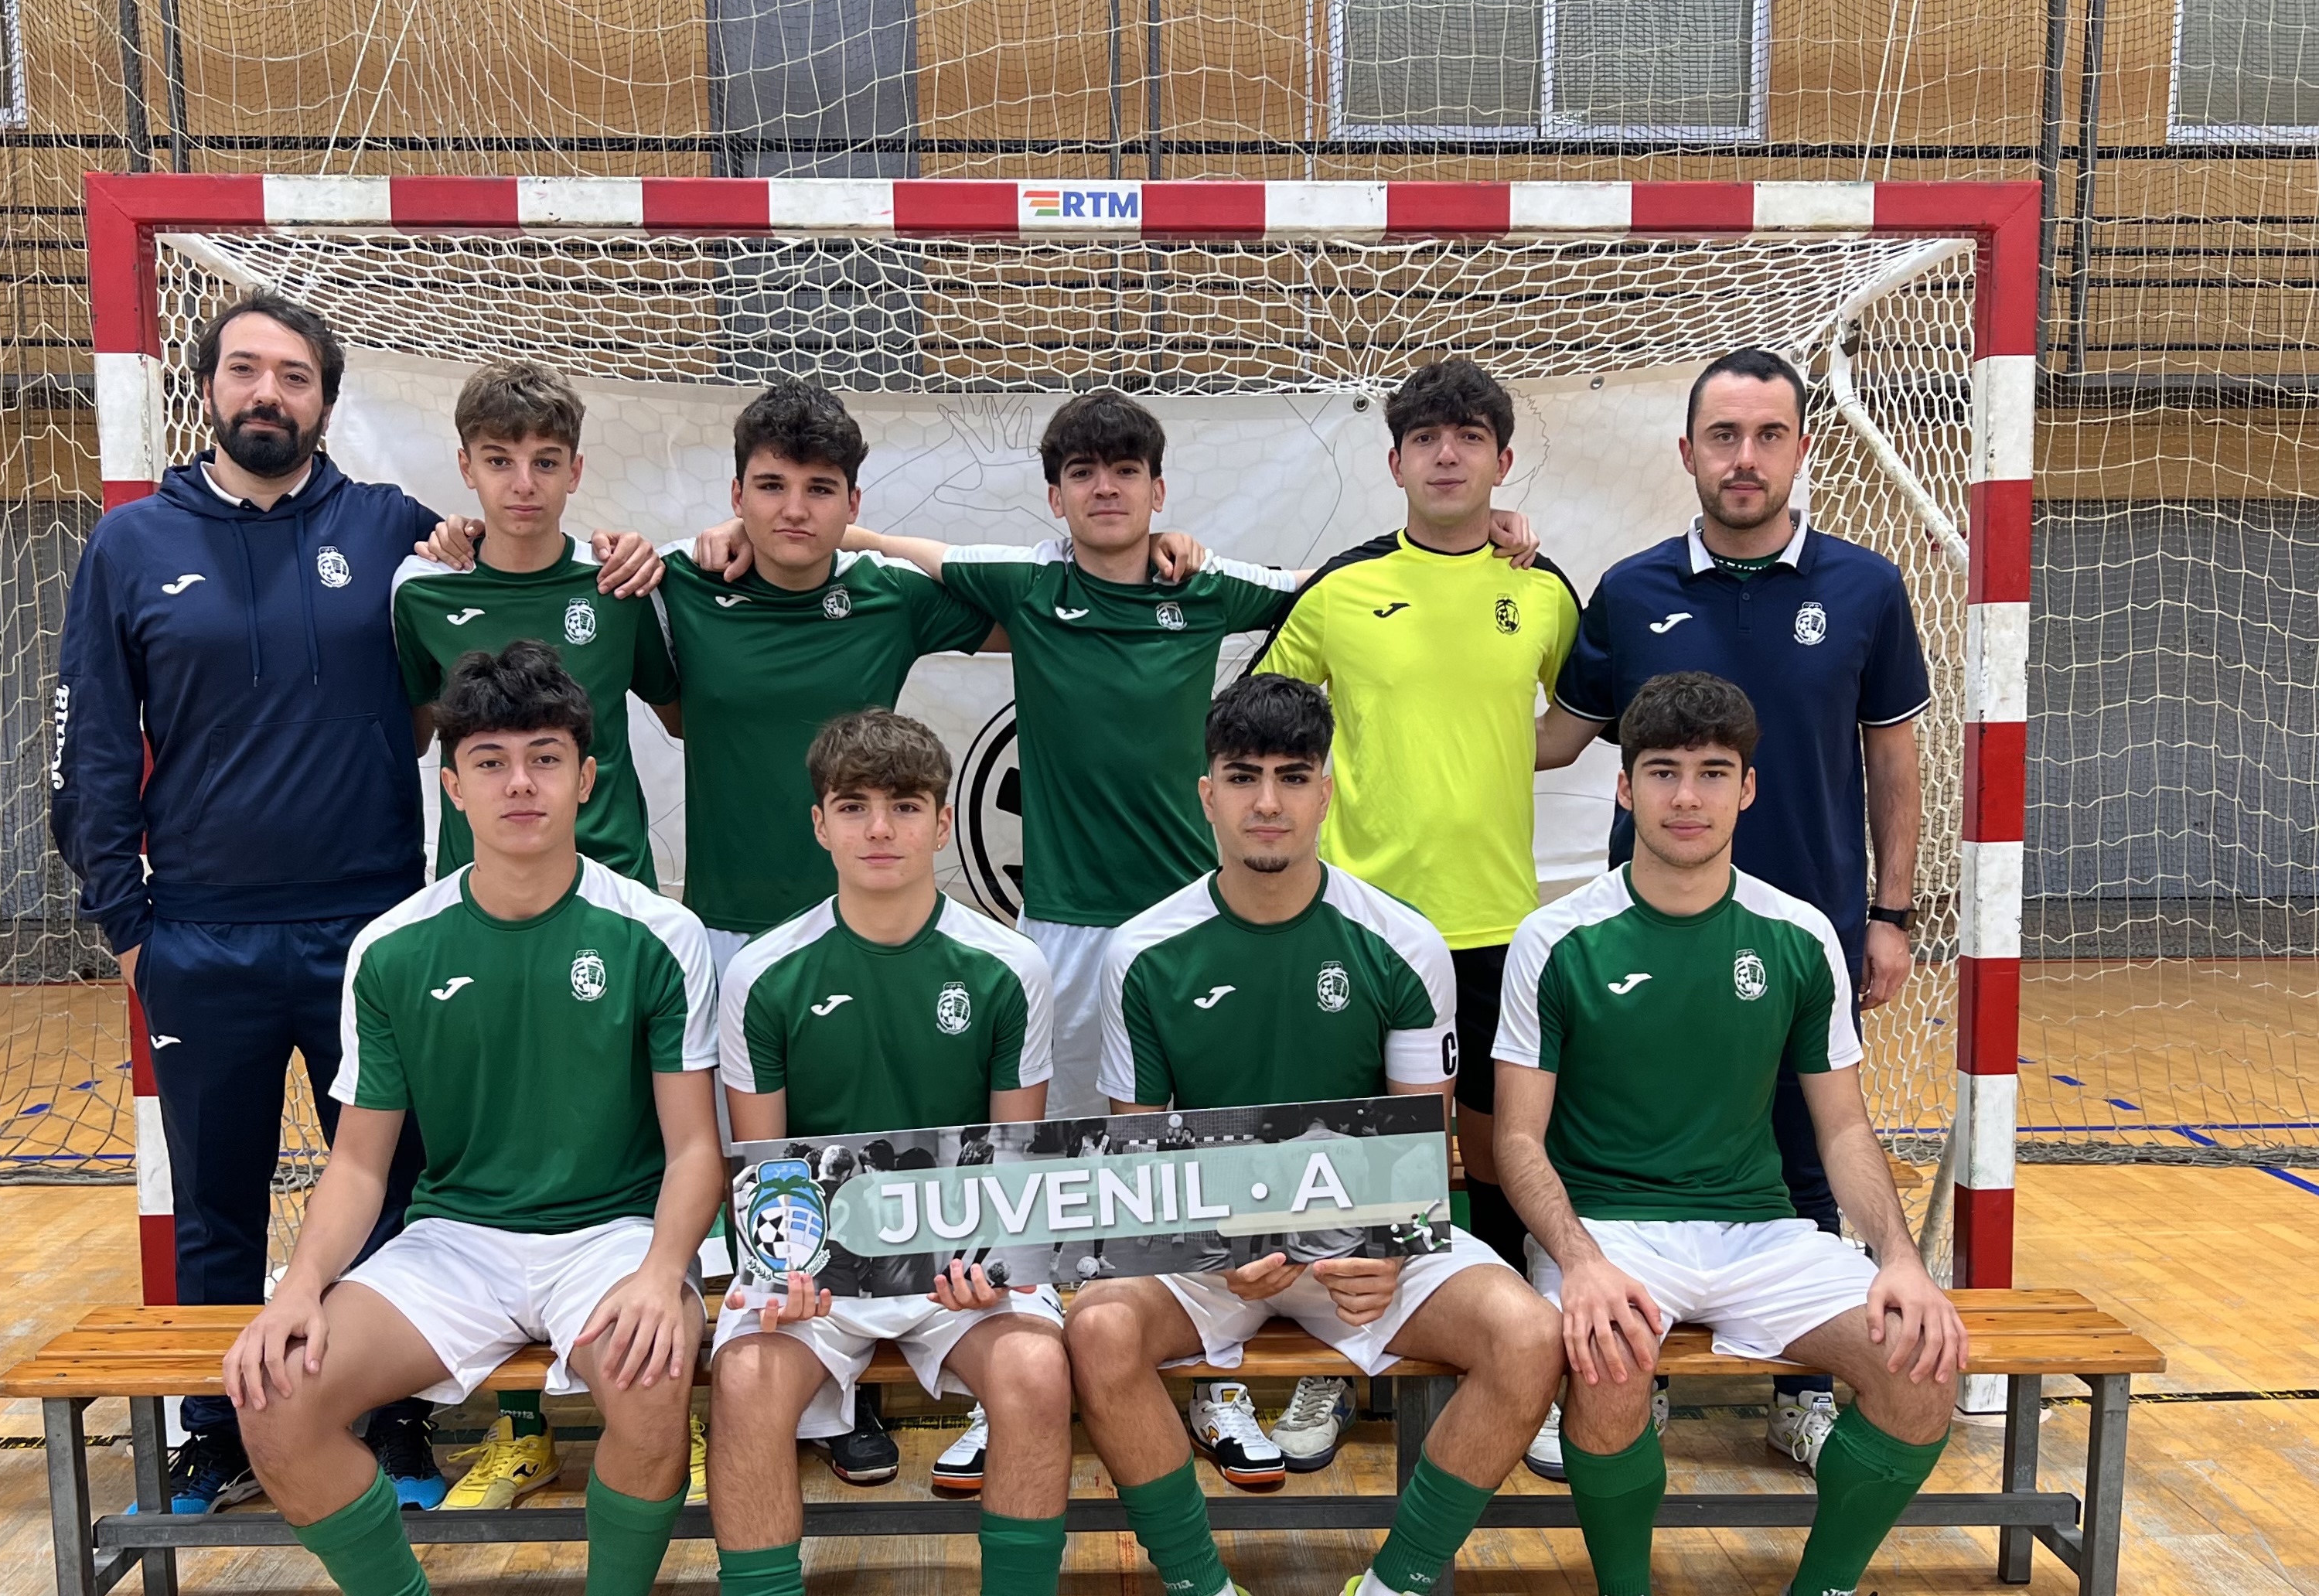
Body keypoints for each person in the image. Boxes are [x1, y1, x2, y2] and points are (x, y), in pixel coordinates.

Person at [721, 387, 1540, 1482]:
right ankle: (1012, 1384)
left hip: (1191, 926)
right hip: (1063, 930)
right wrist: (772, 531)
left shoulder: (1203, 584)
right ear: (1055, 495)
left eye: (1125, 472)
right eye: (1082, 473)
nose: (1104, 490)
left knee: (1198, 1159)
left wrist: (1488, 534)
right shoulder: (1026, 582)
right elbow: (912, 553)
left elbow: (1329, 583)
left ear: (1159, 490)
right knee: (1059, 1179)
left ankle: (1213, 1386)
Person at [222, 641, 723, 1596]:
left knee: (651, 1372)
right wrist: (295, 1291)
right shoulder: (393, 947)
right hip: (457, 1240)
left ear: (587, 776)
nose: (520, 784)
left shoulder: (658, 933)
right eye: (490, 762)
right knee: (276, 1394)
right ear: (451, 786)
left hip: (611, 1233)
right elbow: (360, 1166)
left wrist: (664, 1272)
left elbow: (696, 1148)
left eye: (545, 757)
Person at [1065, 674, 1563, 1596]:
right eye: (1244, 778)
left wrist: (1385, 1245)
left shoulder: (1400, 940)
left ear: (1325, 792)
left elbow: (1421, 1136)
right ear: (1207, 793)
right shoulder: (1143, 950)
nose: (1268, 803)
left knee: (1529, 1334)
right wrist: (1215, 1247)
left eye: (1293, 778)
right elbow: (1141, 1160)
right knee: (1096, 1326)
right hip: (1215, 1246)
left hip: (1365, 1235)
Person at [656, 708, 1128, 1596]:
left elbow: (1011, 1160)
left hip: (954, 1267)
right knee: (748, 1382)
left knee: (1035, 1369)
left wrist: (995, 1266)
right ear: (820, 824)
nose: (881, 829)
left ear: (940, 823)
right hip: (819, 1269)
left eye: (905, 807)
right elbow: (765, 1164)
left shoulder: (1008, 965)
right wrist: (783, 1267)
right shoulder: (763, 971)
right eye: (855, 807)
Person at [1495, 670, 1966, 1596]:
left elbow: (1843, 1131)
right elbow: (1516, 1138)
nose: (1687, 797)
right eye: (1663, 773)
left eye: (1713, 774)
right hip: (1610, 1230)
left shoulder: (1796, 935)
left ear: (1748, 790)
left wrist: (1900, 1260)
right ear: (1625, 789)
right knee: (1610, 1357)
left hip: (1759, 1229)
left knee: (1921, 1361)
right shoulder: (1557, 938)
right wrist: (1579, 1259)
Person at [54, 291, 467, 1513]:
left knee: (392, 1189)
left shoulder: (390, 527)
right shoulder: (130, 544)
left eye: (294, 375)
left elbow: (504, 591)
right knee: (216, 1203)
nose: (268, 394)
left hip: (370, 935)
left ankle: (390, 1416)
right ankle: (216, 1429)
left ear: (325, 400)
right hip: (198, 937)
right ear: (208, 388)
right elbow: (89, 743)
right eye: (245, 370)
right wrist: (127, 927)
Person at [1533, 348, 1932, 1475]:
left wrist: (1891, 913)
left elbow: (1894, 764)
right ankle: (1633, 1377)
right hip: (1647, 935)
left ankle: (1802, 1392)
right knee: (1630, 1152)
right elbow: (1554, 741)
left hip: (1809, 928)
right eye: (1724, 436)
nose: (1744, 458)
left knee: (1807, 1155)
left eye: (1767, 436)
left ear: (1801, 448)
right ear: (1688, 452)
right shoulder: (1630, 590)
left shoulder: (1867, 589)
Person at [633, 379, 1005, 1488]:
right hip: (726, 932)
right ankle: (769, 1390)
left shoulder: (889, 596)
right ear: (736, 492)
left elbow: (1019, 597)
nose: (793, 510)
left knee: (856, 1150)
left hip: (868, 933)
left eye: (820, 490)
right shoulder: (686, 585)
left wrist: (871, 544)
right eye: (770, 488)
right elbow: (666, 697)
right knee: (740, 1174)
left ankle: (847, 1389)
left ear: (852, 500)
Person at [390, 359, 683, 1513]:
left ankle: (670, 1396)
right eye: (500, 461)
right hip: (477, 915)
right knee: (491, 1162)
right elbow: (422, 734)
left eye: (545, 461)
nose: (523, 483)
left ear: (575, 469)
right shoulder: (425, 597)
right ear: (465, 468)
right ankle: (520, 1428)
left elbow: (677, 708)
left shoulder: (620, 586)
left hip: (611, 907)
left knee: (637, 1149)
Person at [1253, 357, 1581, 1308]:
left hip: (1495, 921)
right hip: (1362, 922)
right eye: (1426, 439)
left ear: (1502, 462)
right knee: (1365, 1139)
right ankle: (1346, 1337)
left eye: (1469, 438)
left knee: (1496, 1143)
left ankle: (1509, 1316)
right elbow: (1261, 727)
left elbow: (1573, 726)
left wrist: (1480, 750)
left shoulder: (1543, 589)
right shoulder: (1342, 588)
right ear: (1394, 463)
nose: (1447, 456)